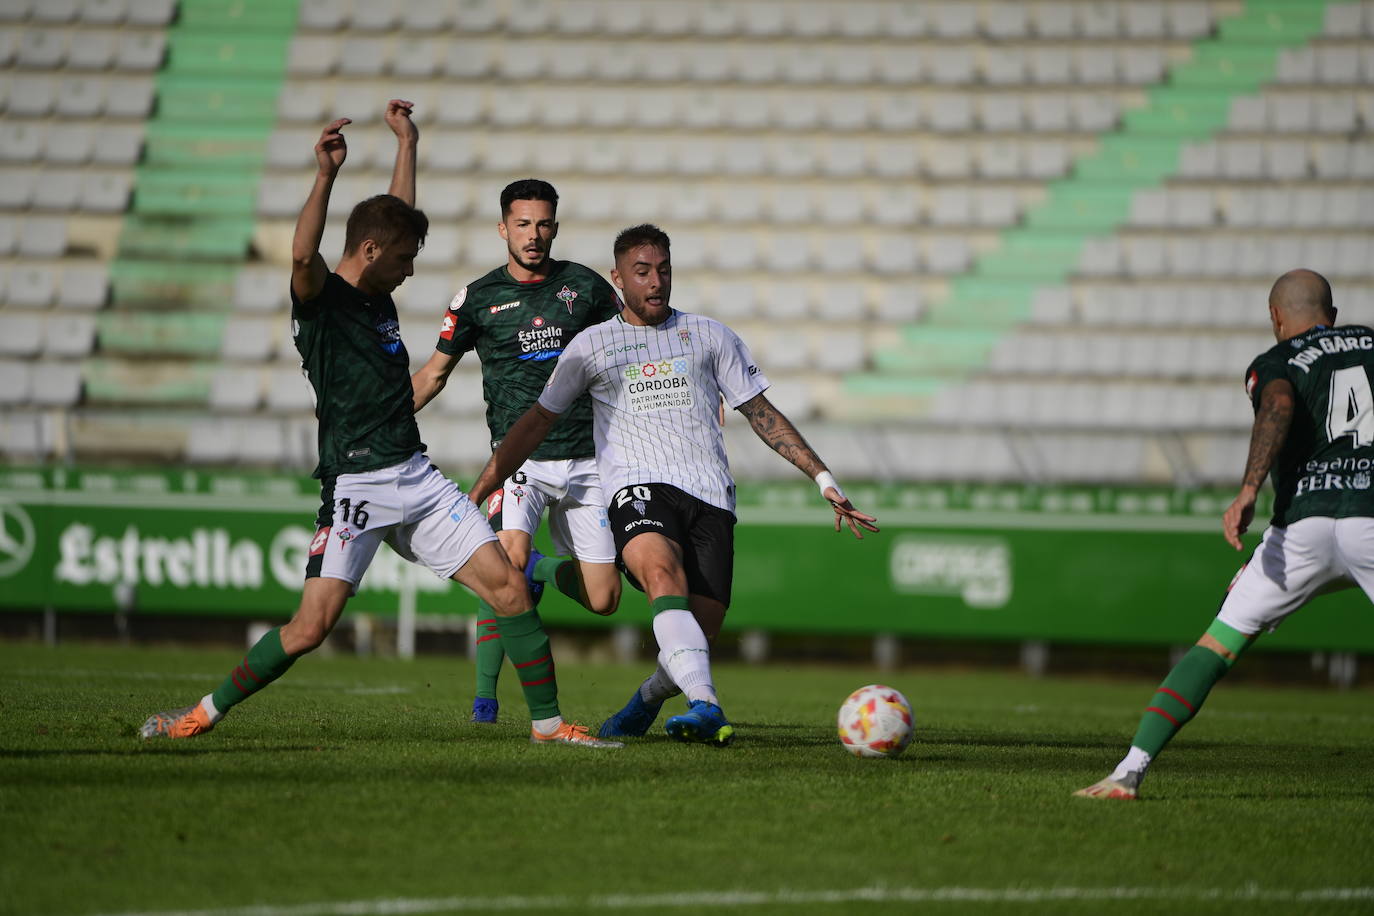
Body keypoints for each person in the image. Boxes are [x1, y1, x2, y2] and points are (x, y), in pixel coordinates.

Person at [140, 102, 619, 749]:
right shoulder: (321, 304)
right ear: (369, 252)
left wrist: (407, 146)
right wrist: (325, 176)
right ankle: (200, 714)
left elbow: (394, 219)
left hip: (415, 477)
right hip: (356, 485)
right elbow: (303, 255)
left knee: (509, 587)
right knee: (310, 628)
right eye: (403, 259)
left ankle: (549, 726)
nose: (410, 269)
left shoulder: (375, 291)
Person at [467, 224, 880, 746]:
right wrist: (481, 488)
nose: (656, 281)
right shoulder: (590, 345)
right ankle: (706, 706)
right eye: (642, 272)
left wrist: (823, 479)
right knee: (662, 575)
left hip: (710, 497)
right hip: (636, 489)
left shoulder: (710, 336)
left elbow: (761, 412)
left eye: (663, 270)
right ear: (618, 279)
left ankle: (645, 700)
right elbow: (536, 422)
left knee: (698, 634)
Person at [1077, 269, 1371, 799]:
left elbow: (1278, 405)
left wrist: (1248, 489)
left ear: (1275, 316)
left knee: (1217, 645)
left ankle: (1128, 772)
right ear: (1333, 312)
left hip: (1302, 528)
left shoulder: (1277, 359)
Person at [411, 179, 624, 724]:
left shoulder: (587, 287)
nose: (534, 235)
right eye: (523, 224)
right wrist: (380, 418)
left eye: (543, 224)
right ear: (503, 228)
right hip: (518, 462)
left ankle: (543, 569)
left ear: (556, 227)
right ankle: (486, 697)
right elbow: (433, 375)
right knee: (504, 566)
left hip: (587, 459)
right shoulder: (477, 299)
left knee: (604, 600)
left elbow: (634, 345)